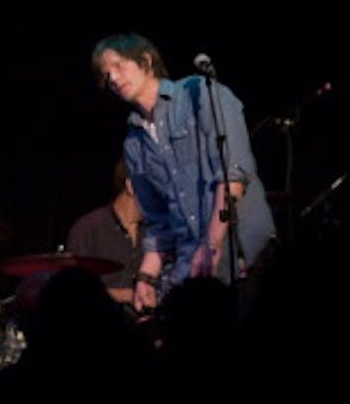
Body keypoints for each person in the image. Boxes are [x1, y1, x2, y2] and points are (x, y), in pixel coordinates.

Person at [90, 33, 276, 316]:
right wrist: (146, 277)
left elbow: (232, 178)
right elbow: (158, 222)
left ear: (146, 60)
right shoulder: (133, 142)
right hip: (194, 273)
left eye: (118, 65)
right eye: (106, 74)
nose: (112, 78)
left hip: (246, 258)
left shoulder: (200, 92)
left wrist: (211, 245)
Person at [66, 157, 143, 307]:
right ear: (131, 185)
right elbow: (74, 290)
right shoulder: (88, 229)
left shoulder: (157, 233)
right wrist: (125, 295)